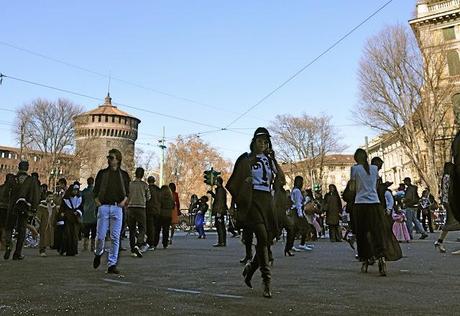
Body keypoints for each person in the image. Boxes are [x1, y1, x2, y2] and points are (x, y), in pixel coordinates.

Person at [226, 127, 286, 298]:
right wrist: (246, 181)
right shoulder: (246, 159)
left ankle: (251, 269)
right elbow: (235, 181)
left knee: (265, 240)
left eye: (266, 142)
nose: (263, 144)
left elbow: (282, 179)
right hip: (253, 200)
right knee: (261, 234)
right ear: (253, 142)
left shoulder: (269, 160)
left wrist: (274, 159)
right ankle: (267, 281)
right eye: (260, 141)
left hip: (267, 201)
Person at [92, 149, 130, 275]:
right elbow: (95, 190)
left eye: (111, 157)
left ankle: (112, 264)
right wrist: (98, 202)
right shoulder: (102, 173)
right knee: (101, 236)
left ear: (118, 160)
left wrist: (123, 202)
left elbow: (127, 193)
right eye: (108, 157)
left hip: (117, 207)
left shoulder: (124, 175)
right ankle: (98, 253)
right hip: (104, 207)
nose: (109, 159)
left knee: (115, 237)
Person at [350, 149, 388, 276]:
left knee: (362, 234)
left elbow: (353, 189)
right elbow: (376, 186)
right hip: (375, 204)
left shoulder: (355, 169)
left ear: (356, 158)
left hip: (360, 204)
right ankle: (381, 258)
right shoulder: (374, 169)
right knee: (376, 232)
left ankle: (365, 260)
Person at [3, 160, 40, 260]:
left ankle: (8, 245)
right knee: (22, 230)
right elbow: (36, 195)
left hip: (12, 208)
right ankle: (17, 253)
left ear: (19, 168)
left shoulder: (12, 179)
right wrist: (34, 208)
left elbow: (5, 193)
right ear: (27, 168)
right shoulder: (31, 180)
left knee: (9, 228)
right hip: (25, 208)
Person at [435, 162, 460, 254]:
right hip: (452, 203)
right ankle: (439, 241)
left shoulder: (445, 178)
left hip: (448, 202)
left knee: (449, 222)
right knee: (452, 222)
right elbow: (451, 191)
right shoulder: (450, 178)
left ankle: (439, 241)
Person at [127, 167, 151, 257]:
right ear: (142, 175)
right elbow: (148, 197)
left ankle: (133, 249)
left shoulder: (130, 184)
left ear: (135, 174)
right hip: (141, 208)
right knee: (142, 228)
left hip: (131, 208)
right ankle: (138, 244)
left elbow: (126, 195)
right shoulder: (145, 185)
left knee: (132, 229)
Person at [60, 182, 83, 256]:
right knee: (68, 235)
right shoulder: (65, 199)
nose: (75, 192)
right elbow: (62, 209)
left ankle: (74, 251)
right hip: (67, 219)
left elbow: (81, 208)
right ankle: (67, 250)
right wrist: (63, 214)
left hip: (75, 219)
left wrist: (78, 212)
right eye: (74, 190)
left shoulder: (79, 199)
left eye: (76, 190)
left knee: (75, 235)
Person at [291, 176, 313, 251]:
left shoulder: (294, 190)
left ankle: (295, 244)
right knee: (305, 227)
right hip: (297, 211)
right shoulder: (297, 191)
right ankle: (301, 244)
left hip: (296, 211)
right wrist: (300, 213)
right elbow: (298, 203)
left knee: (296, 228)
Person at [209, 177, 228, 247]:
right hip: (220, 210)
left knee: (220, 226)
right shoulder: (220, 190)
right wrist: (212, 194)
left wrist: (219, 212)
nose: (215, 182)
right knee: (220, 226)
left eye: (216, 181)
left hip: (219, 211)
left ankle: (221, 242)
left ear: (218, 182)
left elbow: (220, 201)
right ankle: (222, 241)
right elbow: (218, 198)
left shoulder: (220, 190)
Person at [36, 191, 56, 257]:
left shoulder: (53, 205)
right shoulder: (42, 205)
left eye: (51, 197)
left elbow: (55, 214)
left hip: (50, 223)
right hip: (43, 223)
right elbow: (38, 215)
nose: (50, 198)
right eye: (49, 197)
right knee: (43, 237)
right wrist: (38, 224)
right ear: (46, 197)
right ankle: (42, 250)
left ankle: (45, 248)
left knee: (48, 236)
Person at [81, 177, 97, 252]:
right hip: (94, 214)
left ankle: (85, 246)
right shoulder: (96, 192)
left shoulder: (84, 192)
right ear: (93, 182)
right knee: (94, 232)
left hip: (86, 214)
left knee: (86, 232)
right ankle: (93, 247)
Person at [0, 174, 15, 251]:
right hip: (8, 210)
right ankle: (7, 244)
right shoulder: (13, 189)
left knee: (2, 227)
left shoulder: (1, 187)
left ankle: (3, 244)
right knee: (8, 228)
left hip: (1, 209)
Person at [146, 176, 160, 251]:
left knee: (150, 227)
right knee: (156, 227)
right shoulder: (158, 189)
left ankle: (150, 243)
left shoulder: (147, 188)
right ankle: (155, 243)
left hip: (149, 210)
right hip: (157, 210)